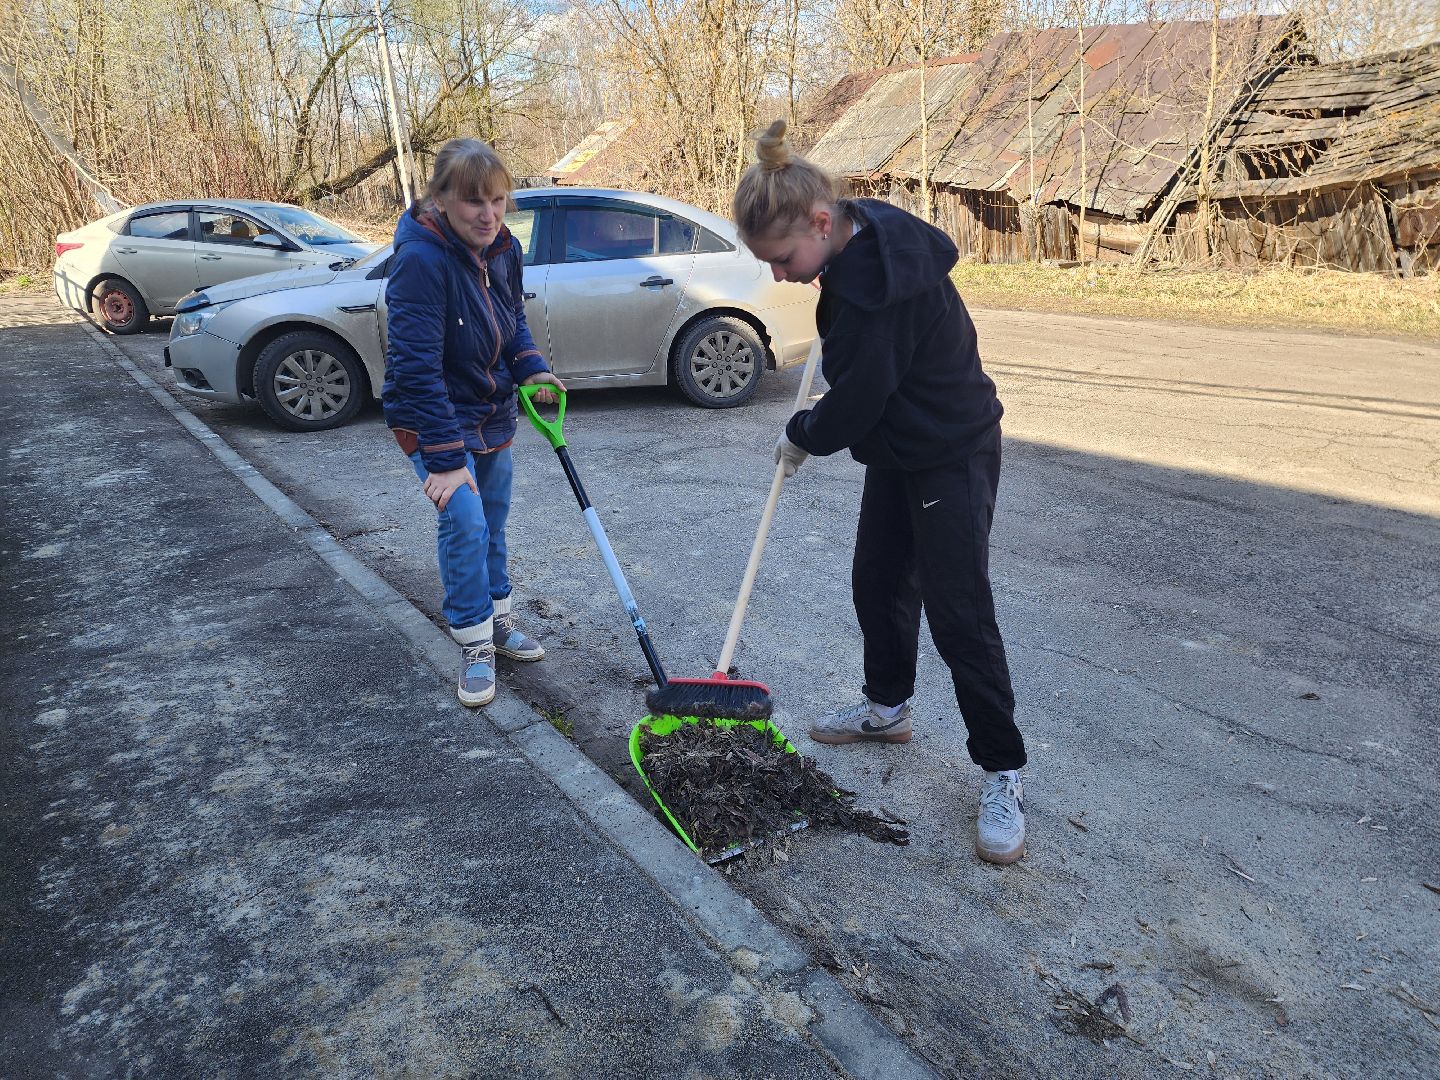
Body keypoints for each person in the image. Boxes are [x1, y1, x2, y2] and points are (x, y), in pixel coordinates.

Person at [732, 119, 1028, 865]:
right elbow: (864, 384)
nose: (778, 276)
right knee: (879, 580)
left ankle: (1002, 769)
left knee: (960, 614)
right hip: (901, 447)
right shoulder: (860, 231)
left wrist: (803, 431)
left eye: (783, 259)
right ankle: (887, 708)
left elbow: (858, 399)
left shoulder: (876, 290)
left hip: (951, 451)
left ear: (824, 223)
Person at [383, 138, 565, 708]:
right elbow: (414, 367)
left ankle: (499, 621)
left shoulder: (503, 248)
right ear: (439, 199)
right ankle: (473, 640)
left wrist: (532, 368)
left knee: (494, 518)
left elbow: (511, 318)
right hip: (433, 416)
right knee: (464, 521)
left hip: (489, 409)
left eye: (498, 201)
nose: (488, 215)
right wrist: (442, 456)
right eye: (472, 203)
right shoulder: (421, 260)